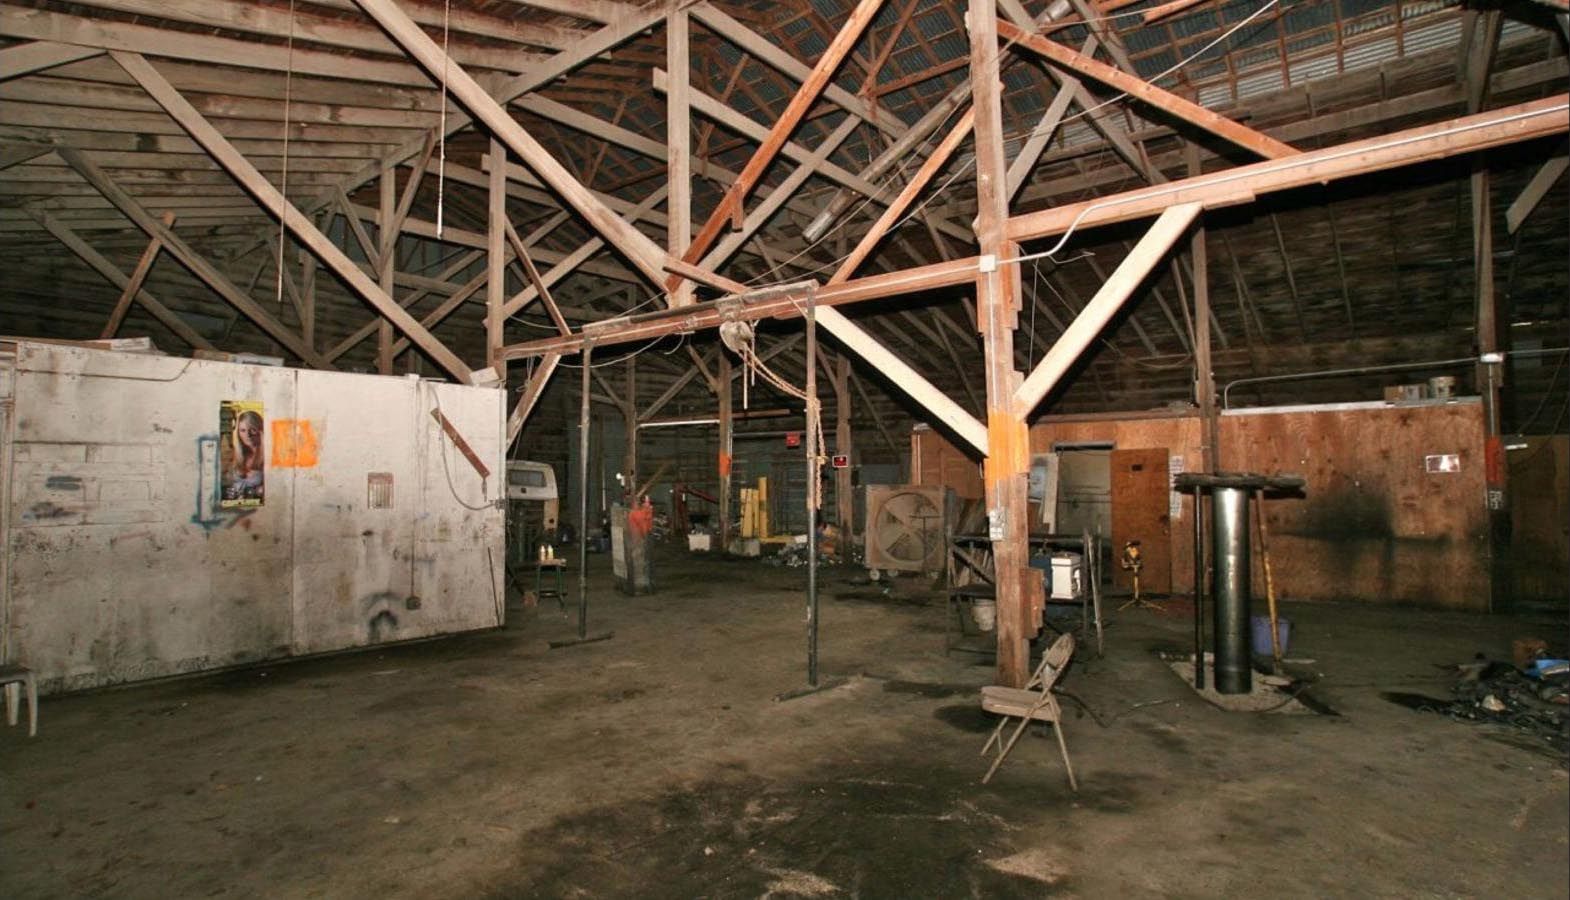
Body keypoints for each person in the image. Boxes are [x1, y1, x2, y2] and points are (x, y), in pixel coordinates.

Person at [224, 409, 265, 502]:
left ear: (260, 431)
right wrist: (230, 493)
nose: (248, 435)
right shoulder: (236, 456)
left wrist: (257, 491)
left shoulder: (268, 457)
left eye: (253, 430)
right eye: (243, 430)